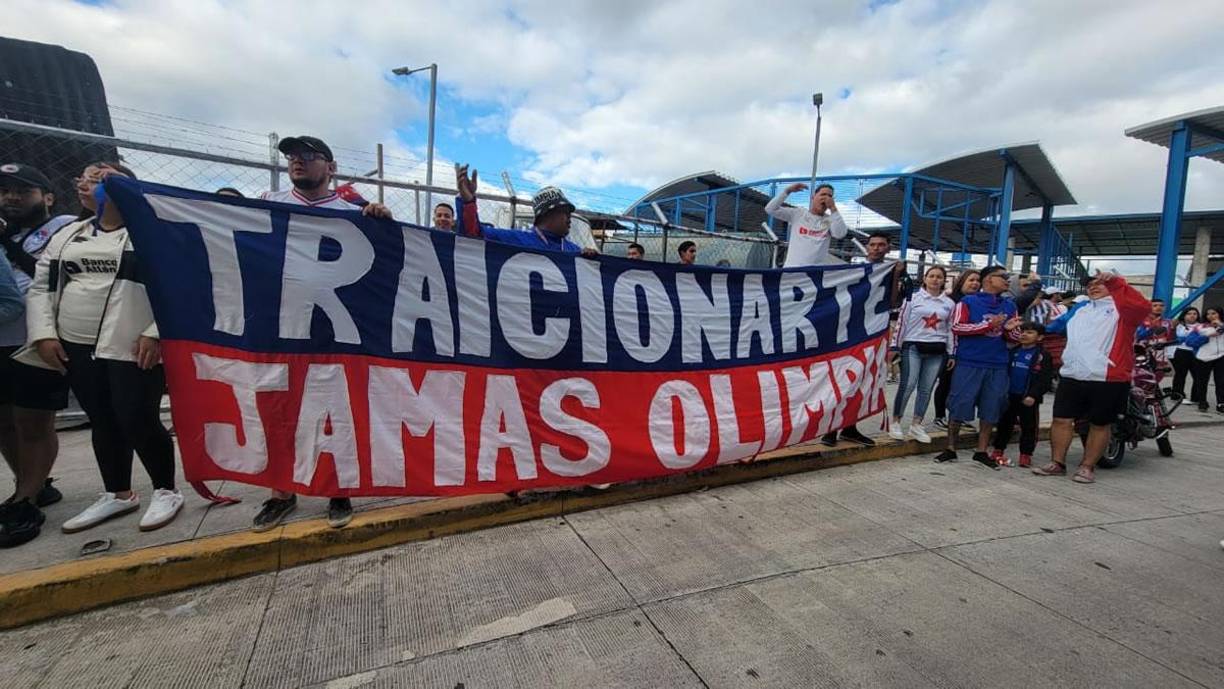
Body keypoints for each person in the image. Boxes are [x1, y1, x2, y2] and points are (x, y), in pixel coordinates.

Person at [20, 162, 186, 534]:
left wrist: (156, 332)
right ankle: (118, 492)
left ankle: (166, 489)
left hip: (131, 342)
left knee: (137, 415)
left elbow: (178, 286)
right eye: (84, 178)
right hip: (76, 343)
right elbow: (41, 287)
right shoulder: (68, 234)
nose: (87, 183)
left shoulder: (153, 232)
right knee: (103, 418)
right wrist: (44, 334)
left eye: (100, 179)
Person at [251, 136, 393, 533]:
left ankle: (337, 489)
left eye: (309, 156)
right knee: (277, 411)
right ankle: (281, 493)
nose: (298, 161)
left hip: (332, 331)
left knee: (335, 412)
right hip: (278, 327)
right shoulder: (266, 204)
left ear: (331, 168)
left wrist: (382, 221)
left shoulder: (354, 215)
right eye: (292, 156)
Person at [0, 163, 79, 547]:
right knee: (4, 421)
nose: (11, 197)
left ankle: (25, 501)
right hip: (2, 337)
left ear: (47, 197)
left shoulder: (66, 228)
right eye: (5, 191)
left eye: (23, 190)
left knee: (32, 421)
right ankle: (31, 484)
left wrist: (10, 246)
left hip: (37, 338)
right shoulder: (6, 233)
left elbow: (53, 277)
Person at [1032, 271, 1150, 483]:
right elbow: (1054, 327)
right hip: (1072, 374)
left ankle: (1087, 467)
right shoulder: (1080, 308)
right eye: (1089, 285)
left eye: (1100, 283)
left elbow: (1142, 307)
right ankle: (1057, 463)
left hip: (1107, 377)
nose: (1093, 287)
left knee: (1099, 423)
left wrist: (1115, 282)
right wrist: (1027, 329)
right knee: (1061, 419)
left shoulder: (1123, 310)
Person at [935, 265, 1022, 469]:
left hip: (998, 364)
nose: (1008, 281)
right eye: (1003, 277)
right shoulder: (967, 302)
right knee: (959, 404)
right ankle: (950, 448)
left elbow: (1015, 336)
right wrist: (989, 325)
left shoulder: (1010, 305)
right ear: (989, 279)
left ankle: (981, 451)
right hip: (969, 362)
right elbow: (957, 327)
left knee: (991, 407)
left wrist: (1009, 330)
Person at [820, 231, 898, 448]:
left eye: (881, 244)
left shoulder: (891, 271)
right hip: (849, 332)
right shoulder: (854, 272)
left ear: (888, 248)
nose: (876, 248)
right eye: (873, 244)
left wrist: (896, 276)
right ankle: (831, 428)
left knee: (863, 381)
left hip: (873, 333)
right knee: (842, 381)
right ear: (867, 247)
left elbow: (893, 302)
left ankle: (850, 427)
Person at [453, 164, 597, 258]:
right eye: (565, 212)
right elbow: (472, 236)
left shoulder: (574, 250)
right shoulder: (517, 240)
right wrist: (468, 202)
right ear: (548, 213)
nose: (569, 218)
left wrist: (592, 260)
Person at [888, 265, 954, 443]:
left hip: (937, 350)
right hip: (913, 346)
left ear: (944, 280)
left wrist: (951, 353)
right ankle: (896, 421)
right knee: (908, 384)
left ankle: (916, 424)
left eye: (939, 277)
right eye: (931, 276)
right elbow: (901, 323)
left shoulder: (949, 304)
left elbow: (950, 329)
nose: (935, 279)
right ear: (925, 278)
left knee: (926, 388)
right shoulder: (912, 298)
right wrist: (895, 345)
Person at [990, 322, 1054, 468]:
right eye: (1023, 331)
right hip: (1009, 395)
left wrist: (1033, 395)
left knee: (1029, 427)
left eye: (1030, 332)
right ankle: (998, 450)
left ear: (1040, 337)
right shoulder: (1013, 351)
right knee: (1004, 424)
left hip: (1028, 398)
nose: (1024, 335)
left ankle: (1026, 454)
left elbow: (1045, 379)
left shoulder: (1042, 355)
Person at [932, 270, 981, 431]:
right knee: (946, 382)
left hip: (969, 350)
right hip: (950, 348)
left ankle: (958, 416)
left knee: (964, 386)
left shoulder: (978, 302)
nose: (975, 283)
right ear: (962, 281)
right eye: (971, 280)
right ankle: (940, 416)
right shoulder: (951, 300)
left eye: (977, 280)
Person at [765, 182, 847, 267]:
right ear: (813, 197)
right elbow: (770, 209)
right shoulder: (798, 213)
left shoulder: (830, 220)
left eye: (830, 196)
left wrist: (833, 208)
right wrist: (787, 191)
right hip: (792, 270)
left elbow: (840, 234)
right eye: (823, 194)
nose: (826, 198)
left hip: (815, 272)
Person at [1188, 306, 1224, 413]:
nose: (1211, 316)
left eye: (1214, 313)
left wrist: (1220, 325)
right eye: (1208, 314)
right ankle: (1202, 402)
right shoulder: (1200, 327)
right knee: (1202, 381)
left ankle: (1221, 403)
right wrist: (1207, 335)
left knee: (1221, 381)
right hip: (1203, 357)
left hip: (1221, 356)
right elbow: (1189, 341)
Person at [1169, 307, 1201, 401]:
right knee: (1180, 375)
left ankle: (1196, 397)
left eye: (1194, 314)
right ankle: (1177, 395)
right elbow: (1178, 337)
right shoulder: (1179, 325)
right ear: (1184, 315)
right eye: (1189, 314)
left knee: (1198, 376)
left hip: (1196, 353)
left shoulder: (1201, 326)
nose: (1192, 316)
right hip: (1181, 351)